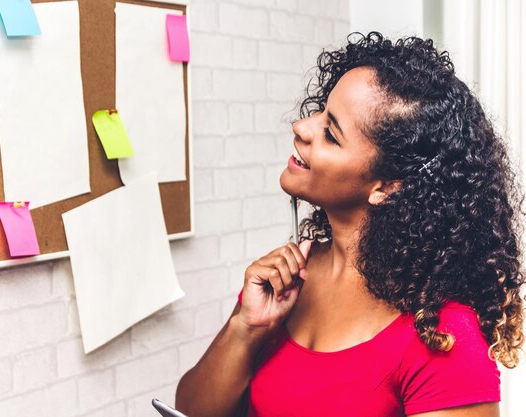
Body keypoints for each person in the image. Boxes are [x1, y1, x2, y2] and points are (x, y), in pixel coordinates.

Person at [174, 32, 526, 417]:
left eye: (330, 134)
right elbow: (191, 410)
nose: (301, 127)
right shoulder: (286, 278)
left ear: (386, 186)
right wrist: (245, 327)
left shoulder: (443, 336)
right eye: (321, 111)